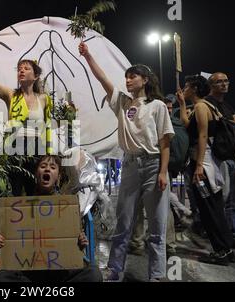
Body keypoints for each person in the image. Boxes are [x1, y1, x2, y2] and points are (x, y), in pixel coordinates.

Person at [79, 42, 174, 282]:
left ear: (145, 80)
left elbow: (165, 143)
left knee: (156, 226)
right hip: (130, 165)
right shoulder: (123, 103)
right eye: (126, 77)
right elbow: (102, 79)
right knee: (124, 222)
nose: (128, 81)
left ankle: (156, 274)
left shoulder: (158, 106)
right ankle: (115, 268)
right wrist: (88, 55)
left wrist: (163, 172)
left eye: (133, 77)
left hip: (154, 166)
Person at [0, 155, 103, 282]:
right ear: (36, 173)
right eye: (43, 166)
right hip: (29, 274)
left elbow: (72, 247)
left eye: (53, 167)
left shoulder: (67, 207)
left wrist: (80, 243)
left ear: (58, 176)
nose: (47, 170)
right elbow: (13, 243)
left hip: (61, 273)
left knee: (94, 274)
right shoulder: (19, 207)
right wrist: (2, 243)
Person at [0, 34, 53, 196]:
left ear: (35, 76)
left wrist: (48, 154)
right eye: (20, 68)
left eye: (26, 68)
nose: (21, 70)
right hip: (15, 148)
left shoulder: (44, 99)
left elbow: (48, 128)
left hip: (37, 150)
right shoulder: (11, 95)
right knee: (15, 192)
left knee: (34, 193)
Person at [177, 75, 235, 265]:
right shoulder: (199, 107)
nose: (184, 89)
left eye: (186, 86)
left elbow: (202, 136)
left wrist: (199, 166)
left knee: (210, 208)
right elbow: (188, 125)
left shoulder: (202, 107)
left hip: (204, 161)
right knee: (212, 206)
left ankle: (222, 251)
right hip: (204, 161)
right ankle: (226, 248)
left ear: (194, 88)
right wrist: (182, 104)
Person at [205, 73, 235, 252]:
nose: (224, 84)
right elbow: (227, 125)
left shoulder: (227, 105)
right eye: (219, 82)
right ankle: (223, 238)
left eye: (226, 81)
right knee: (222, 200)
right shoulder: (208, 103)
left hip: (233, 158)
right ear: (211, 85)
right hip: (219, 158)